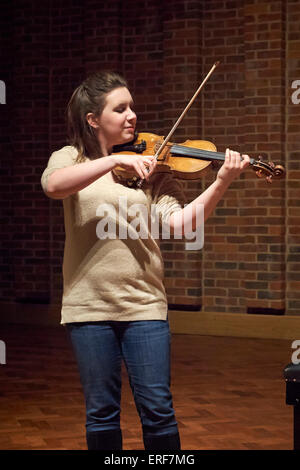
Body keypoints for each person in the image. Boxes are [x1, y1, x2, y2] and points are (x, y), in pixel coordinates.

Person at [41, 71, 250, 451]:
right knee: (101, 412)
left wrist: (220, 182)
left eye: (132, 107)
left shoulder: (153, 168)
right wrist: (114, 160)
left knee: (158, 410)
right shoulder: (71, 158)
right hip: (88, 306)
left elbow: (181, 224)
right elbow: (53, 187)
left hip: (144, 306)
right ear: (93, 119)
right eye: (120, 109)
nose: (132, 115)